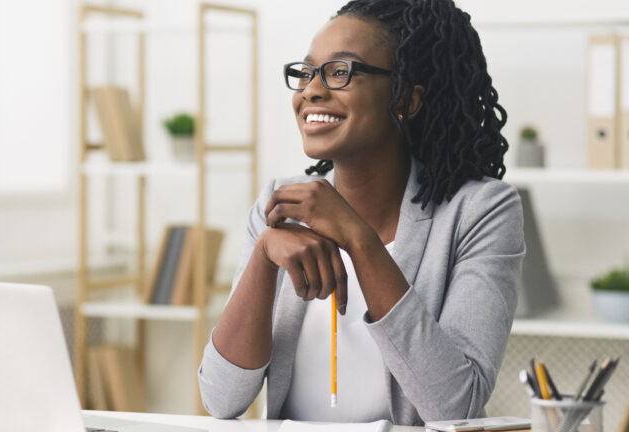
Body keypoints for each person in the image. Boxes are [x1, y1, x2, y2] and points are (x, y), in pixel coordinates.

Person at [197, 0, 525, 425]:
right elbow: (220, 399)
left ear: (407, 98)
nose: (312, 90)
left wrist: (359, 239)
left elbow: (455, 407)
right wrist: (263, 258)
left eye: (340, 72)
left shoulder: (481, 211)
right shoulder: (280, 204)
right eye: (307, 72)